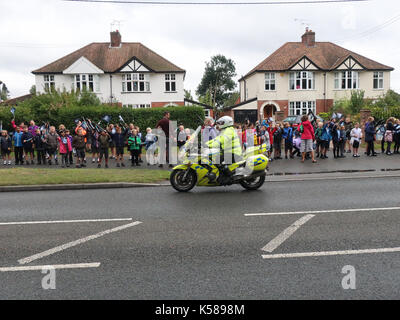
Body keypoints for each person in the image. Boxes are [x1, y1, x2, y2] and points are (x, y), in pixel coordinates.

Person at [206, 116, 242, 183]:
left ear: (226, 123)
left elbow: (222, 140)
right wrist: (206, 144)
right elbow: (216, 139)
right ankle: (221, 174)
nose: (220, 124)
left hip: (234, 152)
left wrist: (210, 146)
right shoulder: (225, 130)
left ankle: (229, 176)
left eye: (221, 123)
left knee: (217, 160)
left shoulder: (229, 130)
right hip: (228, 152)